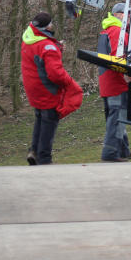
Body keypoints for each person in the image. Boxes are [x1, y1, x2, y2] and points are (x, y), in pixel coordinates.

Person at [20, 12, 81, 165]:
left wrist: (56, 48)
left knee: (40, 120)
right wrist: (70, 83)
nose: (52, 25)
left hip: (33, 90)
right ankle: (44, 159)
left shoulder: (28, 39)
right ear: (47, 26)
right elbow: (56, 74)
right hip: (47, 91)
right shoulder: (47, 46)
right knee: (49, 122)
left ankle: (33, 151)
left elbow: (40, 58)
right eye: (51, 23)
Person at [97, 2, 131, 162]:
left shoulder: (106, 30)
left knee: (116, 116)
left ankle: (123, 151)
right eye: (127, 15)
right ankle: (110, 153)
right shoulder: (117, 31)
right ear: (120, 14)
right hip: (116, 81)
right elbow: (117, 56)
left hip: (107, 80)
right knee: (116, 117)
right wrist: (126, 74)